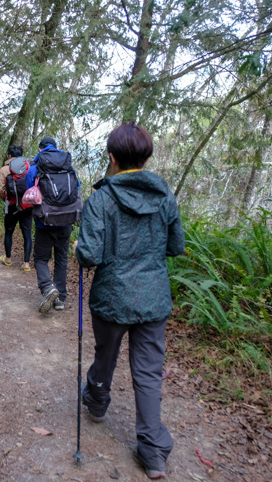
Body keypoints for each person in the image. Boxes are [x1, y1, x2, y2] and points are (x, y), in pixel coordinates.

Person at [73, 122, 185, 480]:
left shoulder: (102, 199)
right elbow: (175, 247)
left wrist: (79, 248)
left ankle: (96, 400)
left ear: (112, 157)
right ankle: (152, 453)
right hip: (153, 298)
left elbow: (88, 255)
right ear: (147, 157)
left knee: (105, 355)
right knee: (149, 372)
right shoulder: (165, 196)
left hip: (112, 296)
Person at [26, 137, 82, 313]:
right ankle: (60, 299)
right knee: (61, 259)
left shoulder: (35, 168)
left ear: (41, 149)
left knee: (41, 258)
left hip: (45, 221)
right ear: (56, 149)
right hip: (66, 221)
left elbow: (30, 193)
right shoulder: (69, 167)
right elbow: (76, 189)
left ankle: (47, 287)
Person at [0, 145, 32, 271]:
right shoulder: (29, 167)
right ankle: (26, 264)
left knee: (9, 231)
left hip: (11, 205)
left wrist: (7, 198)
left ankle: (8, 259)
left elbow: (0, 189)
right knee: (27, 233)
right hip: (27, 205)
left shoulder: (4, 169)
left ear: (9, 156)